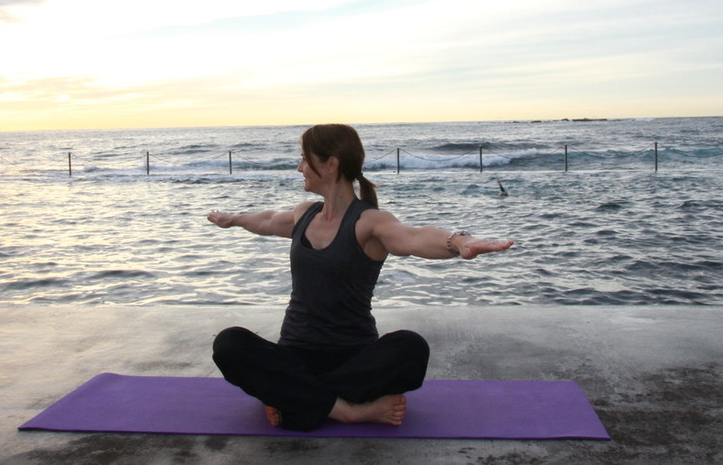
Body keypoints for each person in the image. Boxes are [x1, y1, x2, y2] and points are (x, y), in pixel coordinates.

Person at [207, 124, 513, 432]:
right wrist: (232, 219)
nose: (299, 167)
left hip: (355, 358)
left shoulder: (369, 222)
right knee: (229, 344)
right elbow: (268, 220)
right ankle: (347, 410)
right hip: (295, 353)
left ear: (330, 164)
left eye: (304, 158)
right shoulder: (304, 214)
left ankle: (295, 397)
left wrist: (458, 242)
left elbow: (413, 236)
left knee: (411, 348)